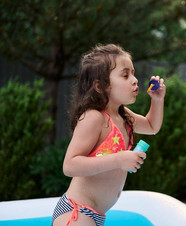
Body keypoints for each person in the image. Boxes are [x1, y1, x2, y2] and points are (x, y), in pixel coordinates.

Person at [52, 44, 166, 226]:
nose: (135, 80)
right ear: (101, 86)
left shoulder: (124, 116)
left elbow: (151, 126)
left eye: (133, 73)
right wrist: (118, 159)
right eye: (125, 75)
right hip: (77, 211)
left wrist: (157, 101)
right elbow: (70, 165)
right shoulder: (93, 117)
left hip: (95, 214)